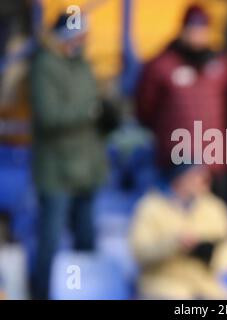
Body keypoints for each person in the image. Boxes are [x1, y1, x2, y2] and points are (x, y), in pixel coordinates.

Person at [30, 14, 107, 299]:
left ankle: (84, 292)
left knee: (86, 239)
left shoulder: (83, 64)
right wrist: (88, 113)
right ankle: (41, 292)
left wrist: (105, 113)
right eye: (78, 35)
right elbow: (49, 116)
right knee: (50, 240)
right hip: (57, 169)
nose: (82, 41)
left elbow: (94, 105)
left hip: (87, 166)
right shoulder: (44, 65)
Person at [135, 4, 227, 204]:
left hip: (215, 160)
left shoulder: (222, 64)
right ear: (182, 29)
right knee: (176, 225)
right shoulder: (161, 65)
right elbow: (145, 108)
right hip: (177, 159)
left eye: (202, 29)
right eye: (193, 29)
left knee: (216, 222)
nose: (197, 35)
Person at [129, 164, 227, 299]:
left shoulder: (214, 207)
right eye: (198, 176)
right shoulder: (151, 207)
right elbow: (139, 252)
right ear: (180, 180)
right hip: (161, 283)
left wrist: (211, 256)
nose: (205, 181)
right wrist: (175, 244)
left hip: (205, 283)